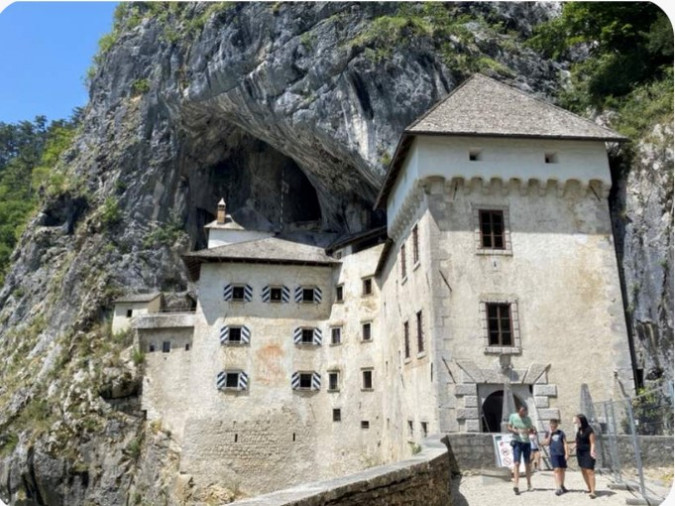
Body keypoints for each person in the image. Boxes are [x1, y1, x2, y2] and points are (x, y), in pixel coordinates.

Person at [507, 405, 534, 495]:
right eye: (521, 411)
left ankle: (529, 484)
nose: (523, 413)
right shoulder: (513, 416)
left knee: (527, 463)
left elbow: (531, 429)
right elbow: (509, 427)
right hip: (517, 441)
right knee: (517, 463)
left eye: (524, 412)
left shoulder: (528, 419)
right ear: (518, 411)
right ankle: (516, 485)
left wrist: (529, 431)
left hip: (526, 442)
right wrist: (514, 431)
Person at [543, 418, 569, 496]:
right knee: (556, 469)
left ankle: (562, 485)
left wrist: (567, 453)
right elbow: (547, 443)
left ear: (556, 425)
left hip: (562, 453)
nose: (552, 427)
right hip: (554, 454)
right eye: (551, 426)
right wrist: (550, 434)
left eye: (554, 426)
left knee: (562, 470)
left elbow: (565, 443)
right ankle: (558, 487)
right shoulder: (548, 433)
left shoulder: (561, 433)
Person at [574, 414, 597, 499]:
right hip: (580, 452)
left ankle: (593, 491)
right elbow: (577, 441)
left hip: (587, 452)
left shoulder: (589, 430)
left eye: (577, 420)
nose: (576, 422)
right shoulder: (579, 430)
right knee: (583, 470)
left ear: (581, 420)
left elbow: (592, 442)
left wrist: (592, 451)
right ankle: (589, 487)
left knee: (590, 471)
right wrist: (571, 448)